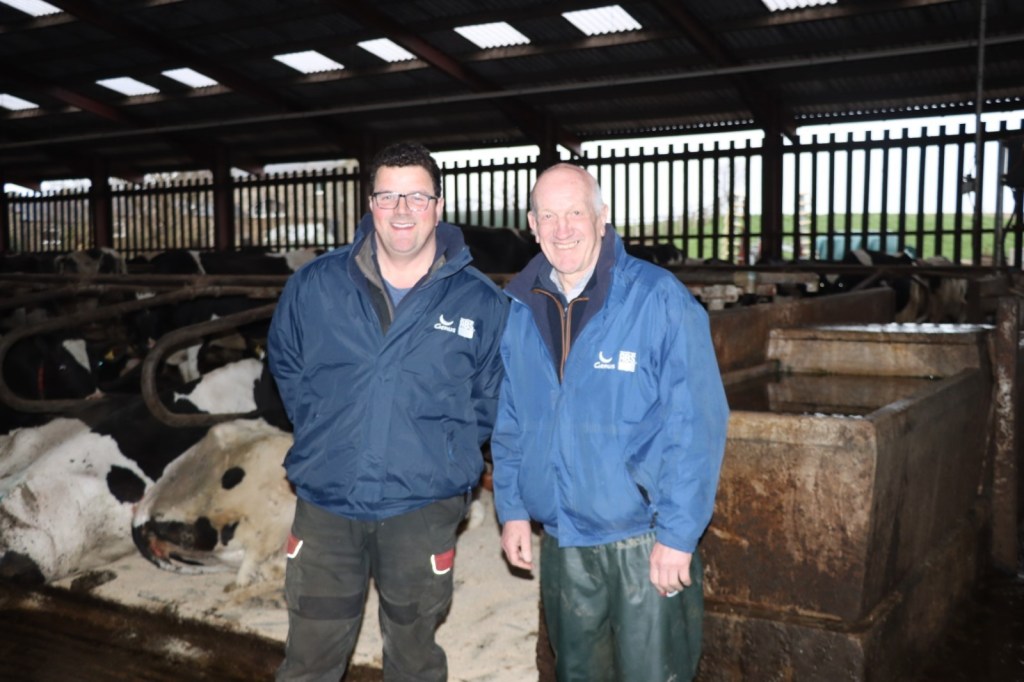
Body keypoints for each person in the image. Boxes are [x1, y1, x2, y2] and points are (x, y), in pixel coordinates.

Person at [268, 141, 508, 681]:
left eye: (417, 197)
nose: (403, 210)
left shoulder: (479, 302)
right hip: (328, 499)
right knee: (310, 654)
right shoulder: (315, 285)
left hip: (423, 506)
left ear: (439, 206)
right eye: (389, 196)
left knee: (414, 651)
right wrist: (324, 431)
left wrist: (446, 450)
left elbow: (490, 397)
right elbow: (285, 364)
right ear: (370, 204)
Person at [491, 163, 729, 682]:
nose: (562, 228)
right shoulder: (517, 308)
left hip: (642, 540)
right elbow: (511, 417)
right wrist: (511, 507)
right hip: (564, 541)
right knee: (577, 673)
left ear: (603, 216)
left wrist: (678, 534)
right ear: (531, 224)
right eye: (548, 215)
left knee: (653, 674)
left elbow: (696, 423)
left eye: (576, 212)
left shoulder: (657, 297)